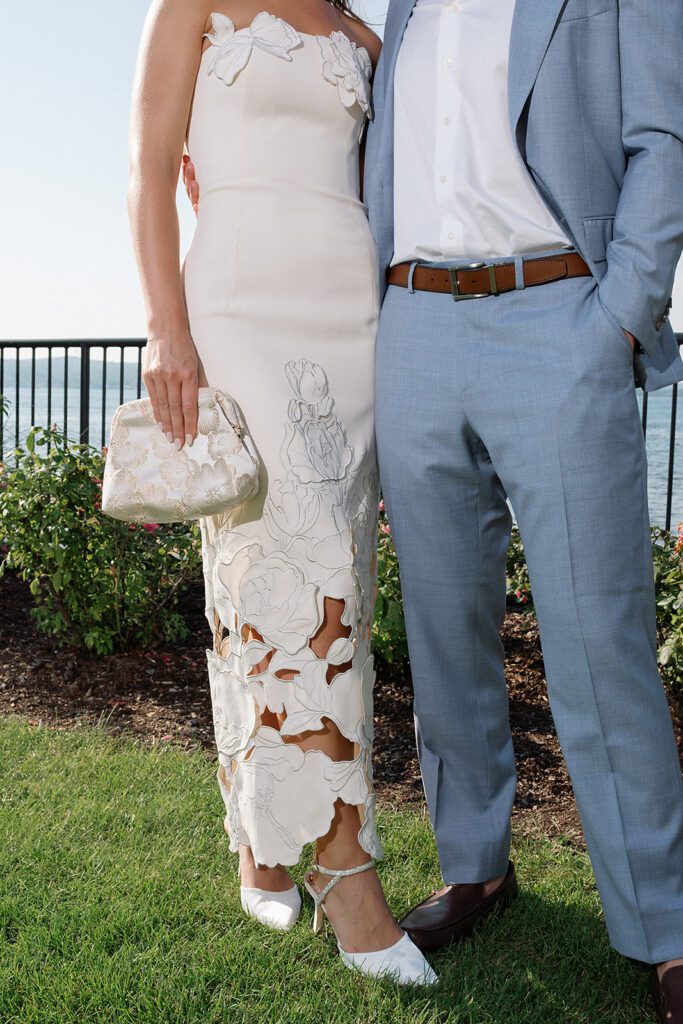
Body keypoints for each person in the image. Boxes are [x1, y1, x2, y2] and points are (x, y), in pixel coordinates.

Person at [362, 1, 683, 1021]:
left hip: (558, 316)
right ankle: (474, 869)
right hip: (411, 326)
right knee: (443, 632)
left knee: (597, 641)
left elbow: (661, 137)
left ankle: (663, 924)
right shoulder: (401, 7)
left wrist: (617, 319)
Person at [128, 0, 436, 985]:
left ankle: (266, 839)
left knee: (317, 580)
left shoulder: (360, 37)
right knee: (286, 580)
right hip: (240, 310)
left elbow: (411, 151)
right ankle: (342, 870)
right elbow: (145, 171)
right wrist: (166, 330)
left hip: (351, 316)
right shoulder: (191, 5)